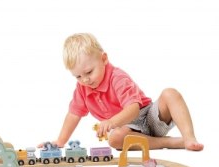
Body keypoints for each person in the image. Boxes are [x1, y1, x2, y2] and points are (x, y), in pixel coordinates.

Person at [40, 33, 203, 151]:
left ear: (104, 59)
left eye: (89, 72)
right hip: (128, 130)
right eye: (78, 76)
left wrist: (111, 122)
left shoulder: (117, 77)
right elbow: (73, 115)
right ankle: (169, 142)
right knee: (115, 139)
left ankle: (188, 137)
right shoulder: (82, 88)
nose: (85, 80)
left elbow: (133, 110)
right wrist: (60, 141)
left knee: (170, 93)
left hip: (147, 116)